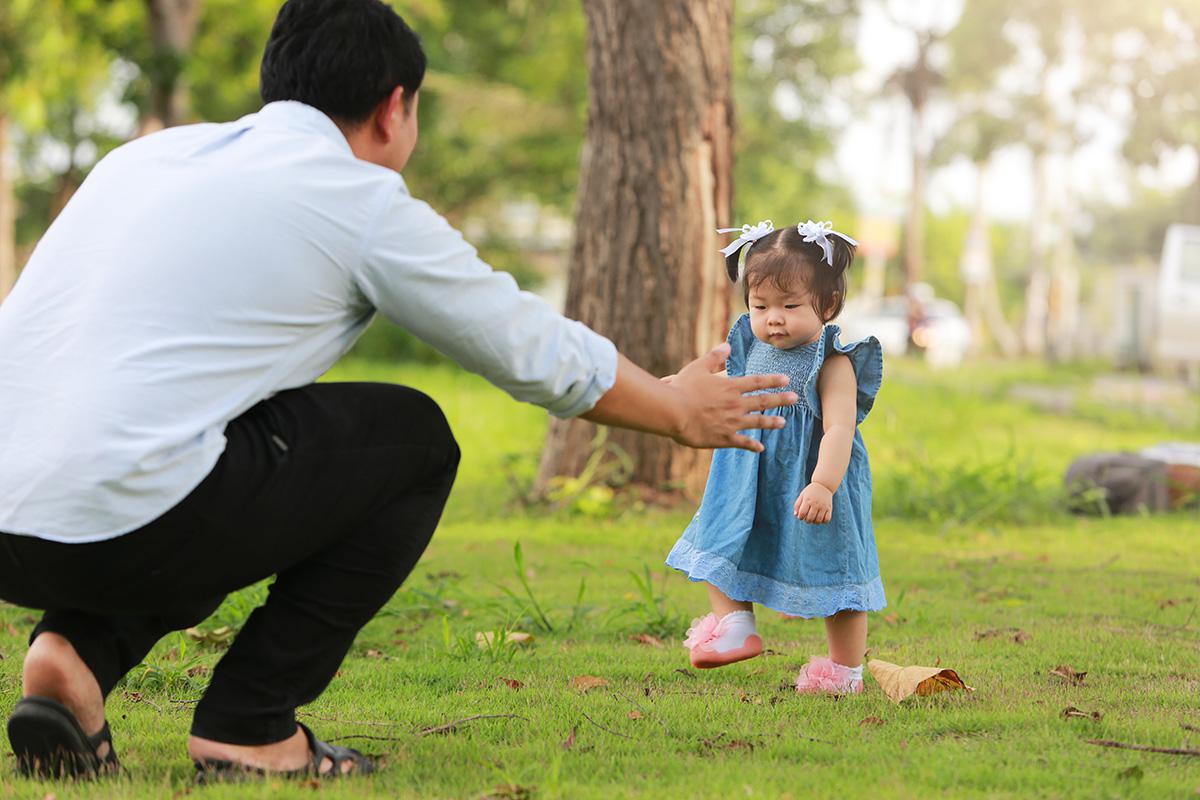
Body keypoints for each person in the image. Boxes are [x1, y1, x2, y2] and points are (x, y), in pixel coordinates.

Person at [0, 0, 798, 781]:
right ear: (394, 110)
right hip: (126, 516)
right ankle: (249, 725)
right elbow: (526, 343)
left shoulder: (146, 159)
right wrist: (677, 410)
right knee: (413, 441)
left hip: (14, 530)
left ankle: (72, 656)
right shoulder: (356, 198)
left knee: (205, 444)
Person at [665, 219, 886, 695]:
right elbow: (723, 388)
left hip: (812, 482)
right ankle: (735, 626)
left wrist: (824, 483)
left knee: (838, 571)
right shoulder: (749, 346)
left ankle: (843, 671)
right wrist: (675, 395)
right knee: (721, 542)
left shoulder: (833, 362)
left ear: (827, 305)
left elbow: (840, 427)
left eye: (790, 306)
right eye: (760, 305)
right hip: (746, 476)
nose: (773, 319)